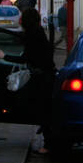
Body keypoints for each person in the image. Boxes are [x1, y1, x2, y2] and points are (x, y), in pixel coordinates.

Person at [19, 8, 56, 153]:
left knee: (44, 110)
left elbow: (26, 57)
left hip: (42, 77)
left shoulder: (32, 35)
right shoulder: (38, 32)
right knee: (43, 109)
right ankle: (46, 136)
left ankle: (48, 144)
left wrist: (3, 56)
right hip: (46, 75)